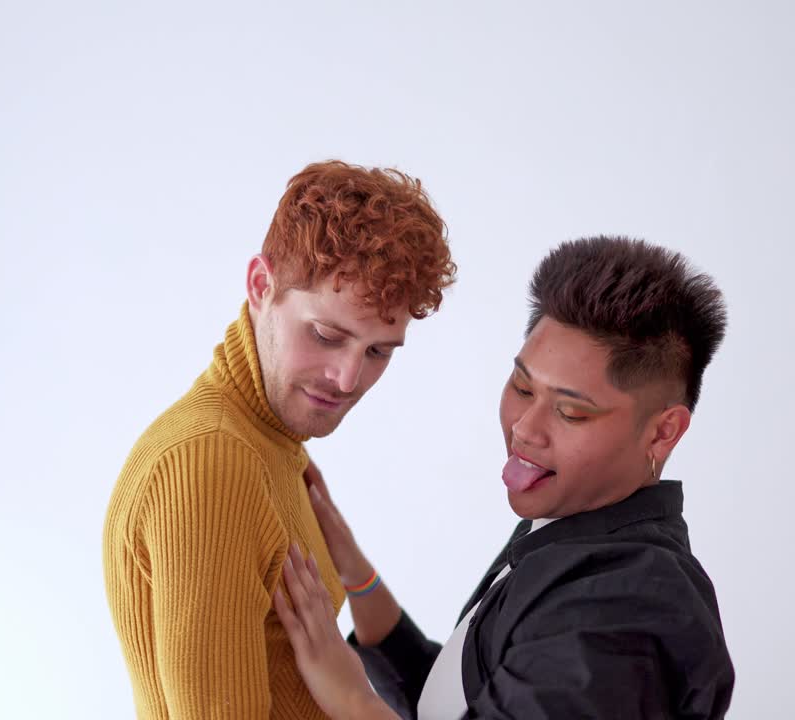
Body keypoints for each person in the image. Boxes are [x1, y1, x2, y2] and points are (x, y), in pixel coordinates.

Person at [275, 235, 735, 719]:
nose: (525, 429)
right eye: (522, 387)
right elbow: (463, 701)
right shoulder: (570, 526)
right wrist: (355, 573)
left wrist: (351, 697)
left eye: (571, 412)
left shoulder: (620, 614)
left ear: (663, 433)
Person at [103, 160, 456, 719]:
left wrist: (355, 574)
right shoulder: (210, 461)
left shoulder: (272, 442)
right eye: (326, 335)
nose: (348, 378)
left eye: (377, 351)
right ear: (260, 286)